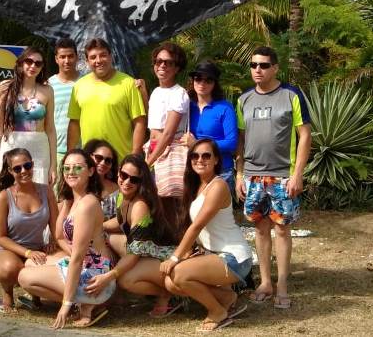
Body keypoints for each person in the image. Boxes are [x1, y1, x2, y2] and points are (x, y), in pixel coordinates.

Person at [235, 46, 311, 310]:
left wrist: (297, 174)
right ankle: (265, 282)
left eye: (264, 65)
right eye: (254, 65)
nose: (258, 69)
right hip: (253, 176)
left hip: (282, 177)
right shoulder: (243, 99)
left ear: (276, 68)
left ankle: (282, 285)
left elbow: (305, 135)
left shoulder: (291, 95)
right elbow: (241, 140)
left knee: (281, 229)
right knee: (260, 228)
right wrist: (240, 174)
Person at [160, 139, 253, 332]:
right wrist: (188, 254)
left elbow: (196, 227)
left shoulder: (218, 186)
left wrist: (175, 257)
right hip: (214, 255)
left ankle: (217, 312)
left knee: (178, 273)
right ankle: (226, 298)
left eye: (206, 155)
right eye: (194, 156)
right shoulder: (197, 186)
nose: (199, 160)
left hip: (234, 257)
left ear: (216, 160)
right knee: (170, 282)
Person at [17, 149, 116, 329]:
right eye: (67, 168)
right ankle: (83, 301)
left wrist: (65, 305)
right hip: (86, 264)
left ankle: (87, 304)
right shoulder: (75, 200)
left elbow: (77, 259)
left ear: (91, 171)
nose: (71, 172)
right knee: (30, 264)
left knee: (25, 277)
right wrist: (67, 202)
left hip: (95, 277)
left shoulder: (88, 204)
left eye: (78, 168)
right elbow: (59, 236)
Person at [92, 154, 183, 318]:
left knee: (125, 279)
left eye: (134, 179)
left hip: (164, 257)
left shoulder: (140, 206)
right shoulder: (123, 196)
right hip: (146, 252)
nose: (127, 182)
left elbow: (134, 254)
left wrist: (108, 276)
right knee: (108, 238)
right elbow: (120, 221)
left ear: (142, 183)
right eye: (124, 175)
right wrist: (96, 226)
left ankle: (169, 294)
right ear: (118, 173)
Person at [0, 148, 59, 313]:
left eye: (27, 165)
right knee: (10, 268)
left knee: (63, 262)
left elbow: (55, 226)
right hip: (5, 250)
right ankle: (7, 295)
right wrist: (27, 253)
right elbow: (0, 237)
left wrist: (53, 242)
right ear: (11, 171)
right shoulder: (4, 197)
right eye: (17, 168)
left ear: (33, 165)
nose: (24, 171)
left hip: (37, 249)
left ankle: (35, 295)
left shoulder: (46, 191)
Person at [67, 38, 146, 160]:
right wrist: (70, 154)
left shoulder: (129, 84)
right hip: (90, 162)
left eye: (103, 55)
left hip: (121, 161)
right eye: (93, 57)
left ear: (111, 56)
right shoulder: (79, 86)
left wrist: (135, 154)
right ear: (87, 61)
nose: (98, 60)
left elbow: (139, 121)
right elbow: (74, 124)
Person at [0, 47, 57, 186]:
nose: (33, 66)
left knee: (38, 194)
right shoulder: (5, 87)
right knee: (10, 192)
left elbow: (50, 128)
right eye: (29, 61)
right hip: (11, 145)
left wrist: (53, 166)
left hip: (39, 147)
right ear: (21, 63)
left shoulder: (47, 90)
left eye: (38, 63)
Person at [144, 42, 190, 224]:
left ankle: (182, 244)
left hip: (169, 151)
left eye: (168, 62)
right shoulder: (156, 91)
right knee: (158, 202)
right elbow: (155, 122)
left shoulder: (179, 94)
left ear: (177, 67)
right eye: (158, 61)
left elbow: (169, 133)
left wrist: (148, 162)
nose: (162, 65)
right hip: (155, 150)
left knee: (174, 202)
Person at [184, 61, 238, 193]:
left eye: (208, 80)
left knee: (219, 213)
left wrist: (197, 144)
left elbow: (231, 143)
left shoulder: (225, 107)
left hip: (221, 171)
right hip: (196, 169)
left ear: (215, 84)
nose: (202, 83)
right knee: (194, 212)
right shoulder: (187, 106)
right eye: (198, 78)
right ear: (193, 81)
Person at [48, 38, 80, 168]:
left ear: (77, 57)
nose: (67, 61)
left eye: (70, 56)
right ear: (56, 59)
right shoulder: (48, 85)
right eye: (62, 57)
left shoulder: (86, 82)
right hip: (55, 151)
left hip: (81, 151)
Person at [84, 139, 119, 220]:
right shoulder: (79, 184)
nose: (103, 163)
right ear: (89, 156)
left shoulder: (116, 189)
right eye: (99, 158)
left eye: (108, 160)